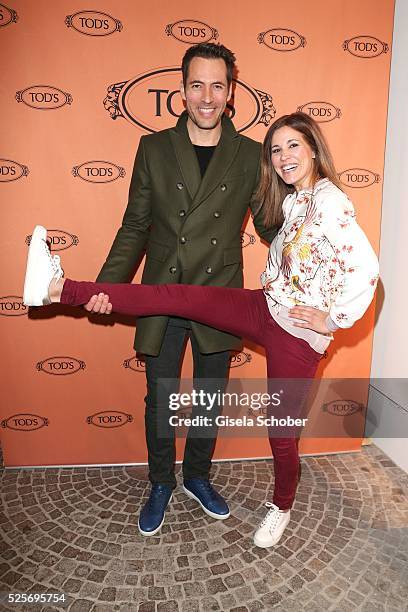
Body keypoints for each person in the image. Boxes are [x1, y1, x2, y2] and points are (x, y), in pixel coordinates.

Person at [23, 112, 379, 548]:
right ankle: (57, 287)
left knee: (281, 432)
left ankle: (281, 506)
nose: (284, 156)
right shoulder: (293, 201)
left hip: (297, 333)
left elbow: (367, 271)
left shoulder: (330, 202)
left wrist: (331, 319)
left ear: (313, 149)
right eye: (276, 149)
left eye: (294, 146)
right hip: (264, 307)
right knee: (175, 295)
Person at [62, 42, 278, 537]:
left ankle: (198, 477)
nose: (207, 96)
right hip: (163, 290)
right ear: (181, 92)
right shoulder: (153, 148)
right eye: (197, 85)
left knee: (208, 396)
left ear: (231, 91)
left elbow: (271, 228)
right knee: (159, 398)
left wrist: (315, 248)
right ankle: (161, 481)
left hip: (220, 294)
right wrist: (107, 289)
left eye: (217, 85)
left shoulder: (250, 155)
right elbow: (135, 226)